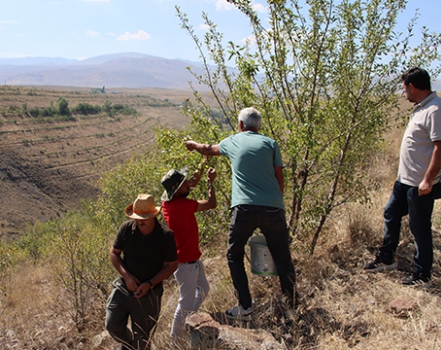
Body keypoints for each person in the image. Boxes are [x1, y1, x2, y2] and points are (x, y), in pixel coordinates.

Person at [183, 107, 297, 320]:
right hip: (273, 207)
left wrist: (193, 145)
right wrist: (273, 202)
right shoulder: (270, 143)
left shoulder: (233, 140)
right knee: (283, 257)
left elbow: (208, 149)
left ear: (241, 125)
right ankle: (292, 307)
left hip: (244, 208)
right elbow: (280, 179)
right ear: (258, 126)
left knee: (234, 255)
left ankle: (245, 307)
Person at [363, 67, 441, 287]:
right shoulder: (421, 108)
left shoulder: (435, 110)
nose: (404, 94)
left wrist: (427, 180)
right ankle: (386, 259)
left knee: (419, 227)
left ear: (411, 87)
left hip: (421, 183)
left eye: (404, 89)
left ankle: (422, 276)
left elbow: (440, 148)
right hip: (406, 180)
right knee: (391, 212)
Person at [105, 194, 178, 350]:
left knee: (142, 340)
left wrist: (150, 284)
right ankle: (128, 345)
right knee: (112, 325)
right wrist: (127, 276)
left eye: (143, 218)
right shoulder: (126, 228)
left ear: (153, 216)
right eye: (136, 217)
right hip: (124, 287)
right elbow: (114, 253)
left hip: (149, 294)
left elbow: (172, 265)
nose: (139, 221)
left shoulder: (165, 236)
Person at [160, 165, 217, 342]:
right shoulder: (182, 206)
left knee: (204, 289)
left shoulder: (168, 203)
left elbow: (189, 186)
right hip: (186, 263)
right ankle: (175, 340)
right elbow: (211, 204)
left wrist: (201, 167)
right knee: (184, 303)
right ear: (177, 190)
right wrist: (210, 183)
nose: (189, 185)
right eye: (184, 184)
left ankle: (187, 322)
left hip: (190, 260)